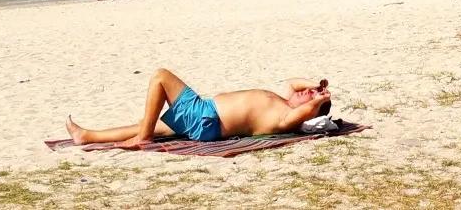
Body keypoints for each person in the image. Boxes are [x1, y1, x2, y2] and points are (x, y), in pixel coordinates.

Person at [65, 69, 332, 147]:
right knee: (146, 122)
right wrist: (315, 84)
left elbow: (309, 108)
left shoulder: (287, 117)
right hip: (205, 118)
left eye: (309, 95)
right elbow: (291, 81)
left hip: (206, 117)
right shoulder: (283, 100)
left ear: (309, 110)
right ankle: (86, 136)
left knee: (160, 77)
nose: (305, 91)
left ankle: (143, 139)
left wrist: (321, 97)